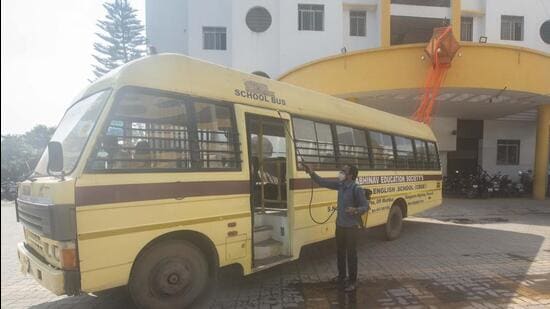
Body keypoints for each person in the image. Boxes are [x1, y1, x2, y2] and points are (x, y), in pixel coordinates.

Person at [303, 163, 370, 292]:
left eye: (343, 171)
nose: (340, 173)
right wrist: (311, 172)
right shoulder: (340, 185)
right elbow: (323, 182)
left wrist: (356, 210)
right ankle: (341, 276)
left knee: (351, 255)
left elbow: (366, 206)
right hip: (340, 226)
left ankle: (352, 281)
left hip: (351, 228)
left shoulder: (356, 189)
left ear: (350, 175)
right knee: (340, 252)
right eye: (341, 170)